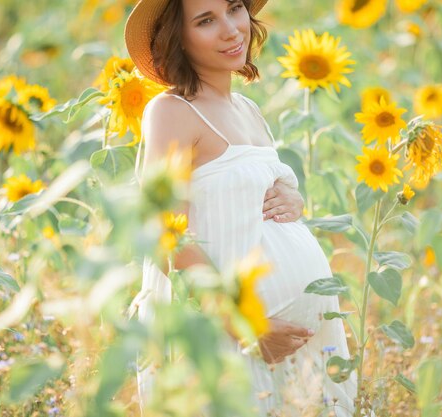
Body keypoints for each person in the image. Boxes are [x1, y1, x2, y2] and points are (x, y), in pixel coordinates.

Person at [126, 0, 357, 415]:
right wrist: (247, 326)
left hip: (294, 350)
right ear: (176, 37)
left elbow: (240, 204)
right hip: (225, 341)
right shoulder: (171, 112)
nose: (232, 29)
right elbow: (164, 234)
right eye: (205, 20)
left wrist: (294, 202)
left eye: (234, 8)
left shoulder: (247, 109)